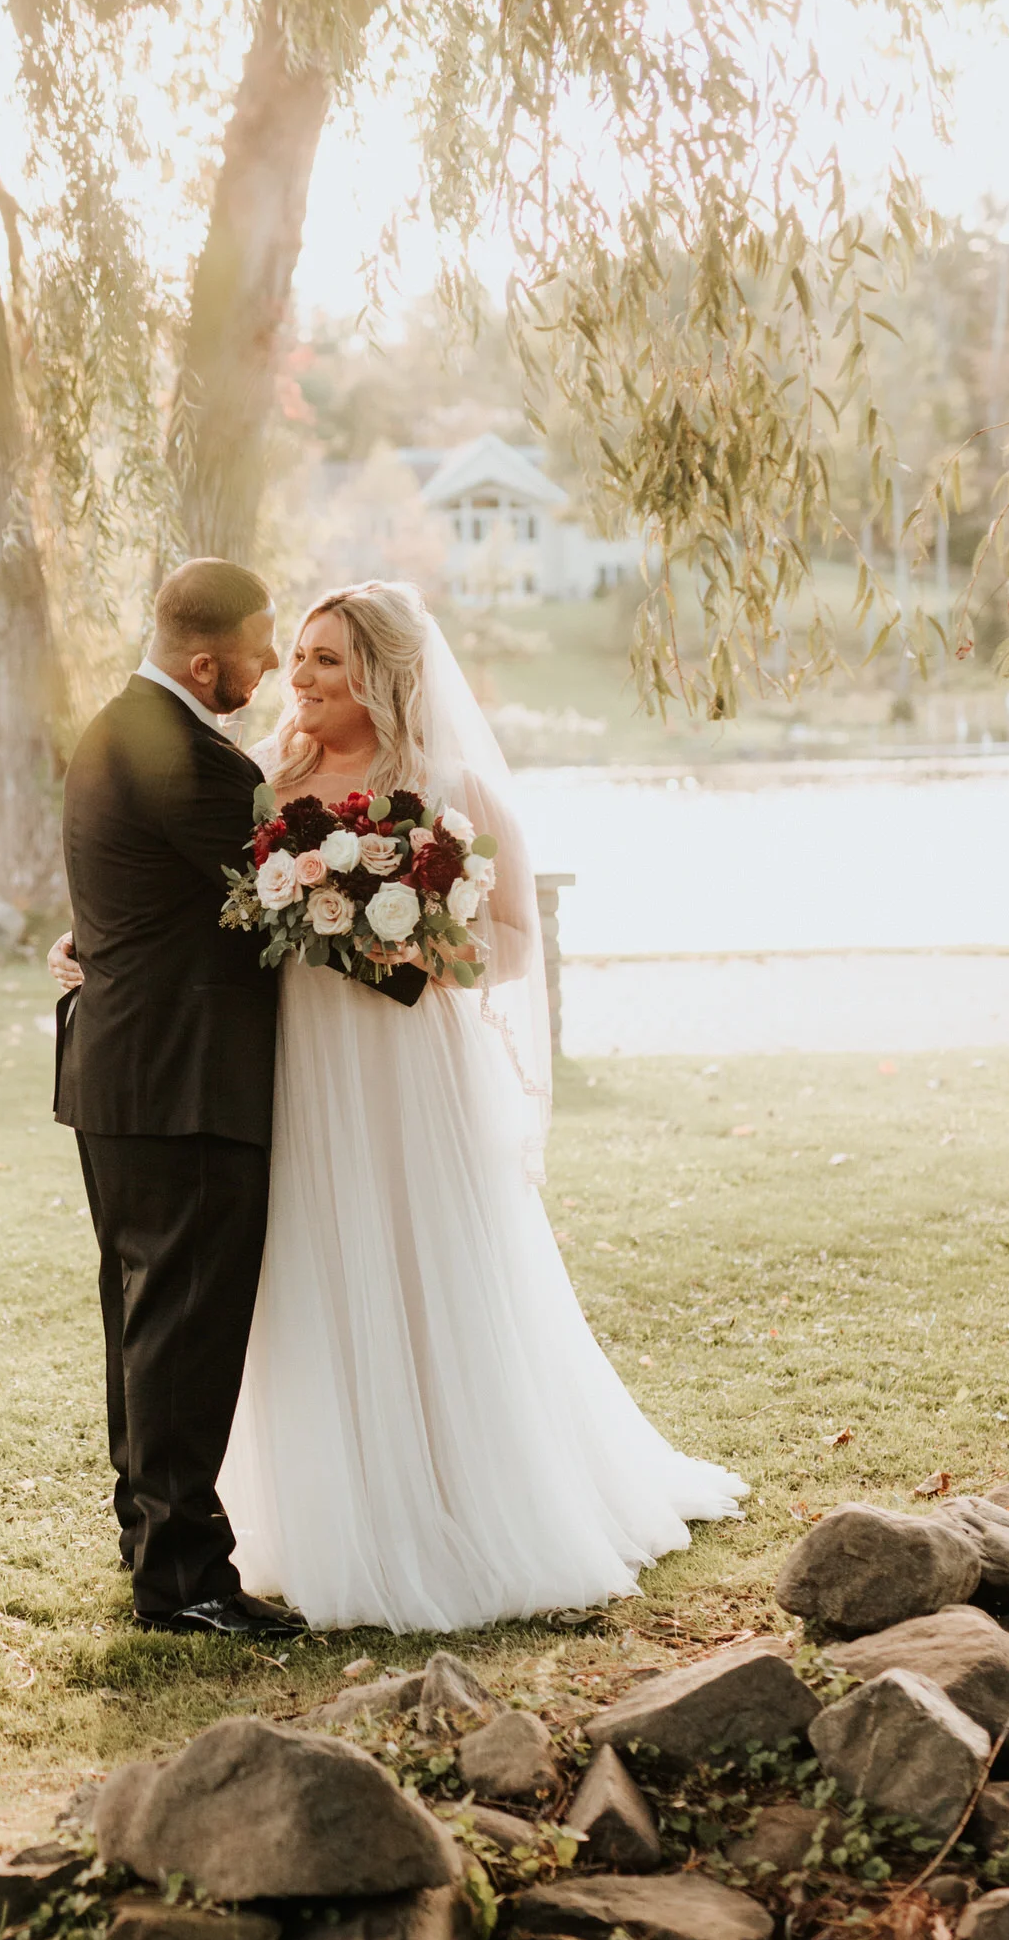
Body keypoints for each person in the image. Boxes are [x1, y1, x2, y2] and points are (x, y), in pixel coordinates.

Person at [210, 580, 746, 1631]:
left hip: (412, 1063)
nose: (301, 677)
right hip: (305, 1057)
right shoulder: (269, 781)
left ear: (383, 675)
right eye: (301, 656)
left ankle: (462, 1493)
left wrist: (421, 946)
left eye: (327, 659)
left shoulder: (448, 784)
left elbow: (510, 939)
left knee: (428, 1263)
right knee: (317, 1259)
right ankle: (329, 1505)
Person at [50, 559, 419, 1637]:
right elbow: (295, 904)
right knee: (181, 1332)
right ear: (205, 661)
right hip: (183, 1084)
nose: (271, 668)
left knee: (143, 1321)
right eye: (264, 649)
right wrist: (411, 963)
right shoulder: (194, 767)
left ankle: (151, 1544)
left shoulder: (115, 730)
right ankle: (186, 1582)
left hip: (122, 1073)